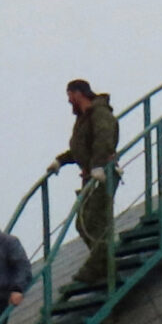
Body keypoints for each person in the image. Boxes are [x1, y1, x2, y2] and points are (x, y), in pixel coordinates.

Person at [47, 80, 118, 287]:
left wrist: (98, 166)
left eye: (69, 95)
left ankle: (98, 267)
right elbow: (80, 148)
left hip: (102, 175)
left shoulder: (99, 112)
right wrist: (61, 160)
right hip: (91, 176)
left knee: (94, 220)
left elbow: (103, 138)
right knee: (84, 223)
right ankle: (103, 264)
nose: (69, 101)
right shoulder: (82, 119)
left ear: (78, 94)